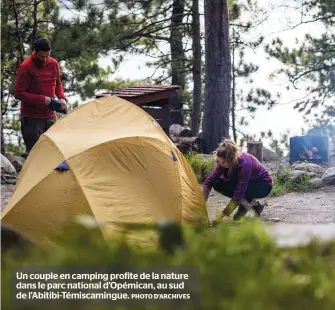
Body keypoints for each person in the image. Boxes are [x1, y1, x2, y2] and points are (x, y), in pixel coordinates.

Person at [14, 38, 67, 156]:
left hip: (50, 115)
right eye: (41, 57)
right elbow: (18, 93)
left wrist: (62, 98)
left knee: (54, 152)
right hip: (31, 118)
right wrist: (43, 100)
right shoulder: (26, 67)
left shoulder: (53, 63)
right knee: (35, 155)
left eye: (47, 56)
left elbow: (58, 84)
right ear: (35, 52)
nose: (44, 59)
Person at [202, 138, 273, 222]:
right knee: (217, 183)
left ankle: (248, 204)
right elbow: (209, 181)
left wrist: (221, 216)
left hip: (263, 185)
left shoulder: (245, 164)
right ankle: (251, 206)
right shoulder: (225, 161)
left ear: (230, 159)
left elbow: (239, 192)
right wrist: (201, 204)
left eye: (223, 162)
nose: (220, 164)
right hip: (248, 183)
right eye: (219, 161)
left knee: (239, 191)